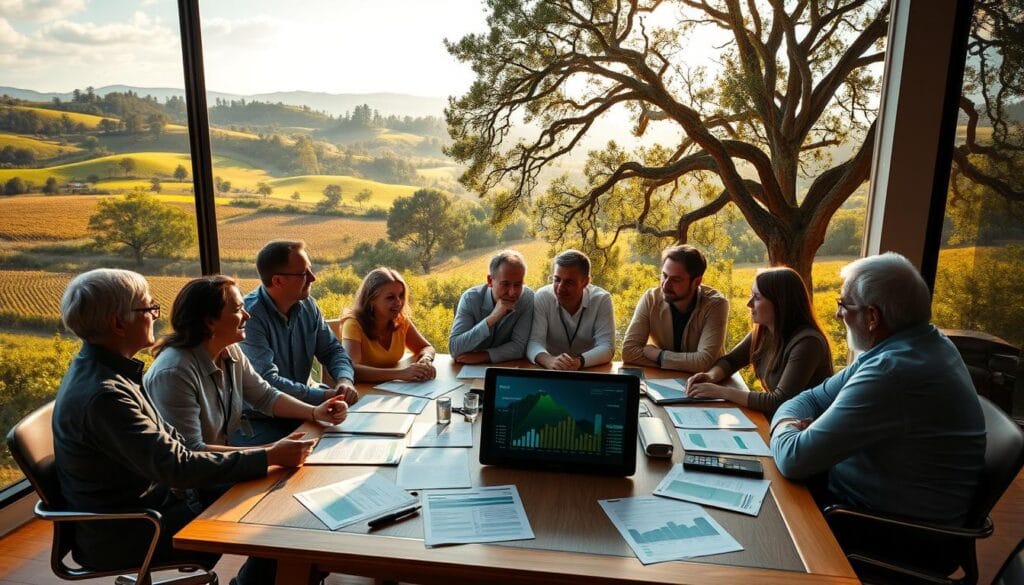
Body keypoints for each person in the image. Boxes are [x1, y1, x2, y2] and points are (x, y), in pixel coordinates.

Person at [52, 268, 315, 585]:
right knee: (276, 524)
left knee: (277, 505)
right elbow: (178, 465)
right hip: (138, 527)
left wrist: (268, 454)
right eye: (147, 308)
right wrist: (268, 456)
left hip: (157, 505)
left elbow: (175, 446)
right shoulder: (106, 396)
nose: (154, 315)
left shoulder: (108, 373)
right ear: (118, 324)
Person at [770, 253, 985, 526]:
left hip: (892, 529)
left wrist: (782, 424)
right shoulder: (921, 343)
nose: (838, 314)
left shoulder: (892, 371)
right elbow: (811, 397)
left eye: (843, 304)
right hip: (863, 498)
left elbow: (793, 459)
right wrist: (794, 427)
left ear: (872, 317)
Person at [145, 275, 349, 453]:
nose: (247, 316)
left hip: (220, 467)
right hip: (193, 491)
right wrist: (271, 453)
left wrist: (315, 412)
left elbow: (265, 396)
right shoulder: (174, 373)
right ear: (209, 321)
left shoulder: (229, 350)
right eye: (238, 309)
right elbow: (190, 451)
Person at [239, 240, 357, 445]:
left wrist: (344, 381)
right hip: (263, 420)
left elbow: (332, 350)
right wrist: (324, 395)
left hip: (309, 407)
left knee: (355, 440)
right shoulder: (250, 317)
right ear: (278, 281)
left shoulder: (307, 304)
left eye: (310, 270)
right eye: (304, 274)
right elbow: (268, 382)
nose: (313, 277)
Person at [686, 267, 833, 416]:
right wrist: (711, 376)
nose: (749, 304)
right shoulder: (765, 332)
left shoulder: (808, 343)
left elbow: (779, 401)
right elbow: (732, 360)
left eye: (757, 297)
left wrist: (721, 392)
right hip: (784, 421)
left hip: (805, 428)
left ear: (780, 302)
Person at [622, 244, 728, 372]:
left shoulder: (715, 304)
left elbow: (705, 362)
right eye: (664, 276)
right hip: (663, 382)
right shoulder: (651, 299)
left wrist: (659, 356)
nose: (665, 285)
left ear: (696, 282)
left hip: (705, 384)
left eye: (676, 280)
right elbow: (628, 352)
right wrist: (688, 364)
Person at [340, 267, 437, 382]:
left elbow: (426, 347)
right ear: (371, 300)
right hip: (364, 392)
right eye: (390, 297)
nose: (398, 302)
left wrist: (426, 359)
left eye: (401, 295)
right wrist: (401, 374)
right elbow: (351, 369)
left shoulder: (401, 321)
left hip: (392, 390)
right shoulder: (353, 324)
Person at [526, 249, 615, 370]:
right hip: (551, 370)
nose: (560, 288)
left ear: (585, 282)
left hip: (587, 370)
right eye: (557, 279)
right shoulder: (542, 297)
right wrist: (549, 361)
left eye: (569, 282)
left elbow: (607, 347)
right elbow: (534, 342)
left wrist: (579, 362)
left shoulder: (601, 299)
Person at [449, 249, 535, 364]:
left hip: (507, 368)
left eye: (518, 284)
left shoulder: (527, 299)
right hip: (467, 369)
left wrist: (484, 356)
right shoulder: (470, 299)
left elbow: (519, 347)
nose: (512, 292)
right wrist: (492, 319)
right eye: (505, 284)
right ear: (490, 280)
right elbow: (455, 348)